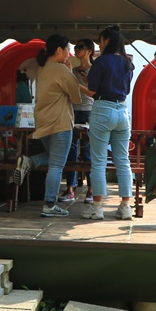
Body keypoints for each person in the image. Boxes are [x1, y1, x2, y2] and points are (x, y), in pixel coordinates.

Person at [12, 35, 83, 217]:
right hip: (60, 123)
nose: (69, 54)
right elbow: (76, 96)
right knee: (57, 165)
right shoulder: (61, 69)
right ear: (59, 50)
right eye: (67, 50)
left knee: (54, 158)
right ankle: (49, 204)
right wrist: (71, 71)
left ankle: (29, 161)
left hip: (42, 122)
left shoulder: (43, 69)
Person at [84, 26, 134, 221]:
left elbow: (92, 90)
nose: (99, 44)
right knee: (123, 161)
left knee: (98, 161)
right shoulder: (127, 63)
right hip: (122, 111)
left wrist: (80, 85)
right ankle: (125, 207)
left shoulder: (100, 62)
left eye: (101, 41)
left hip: (103, 110)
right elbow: (126, 89)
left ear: (107, 41)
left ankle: (97, 208)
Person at [61, 38, 95, 202]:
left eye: (79, 47)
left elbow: (92, 92)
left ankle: (91, 189)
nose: (76, 50)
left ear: (89, 50)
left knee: (88, 152)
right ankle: (70, 188)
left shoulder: (95, 70)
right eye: (75, 47)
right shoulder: (73, 71)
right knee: (71, 151)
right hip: (73, 110)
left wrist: (75, 80)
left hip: (89, 111)